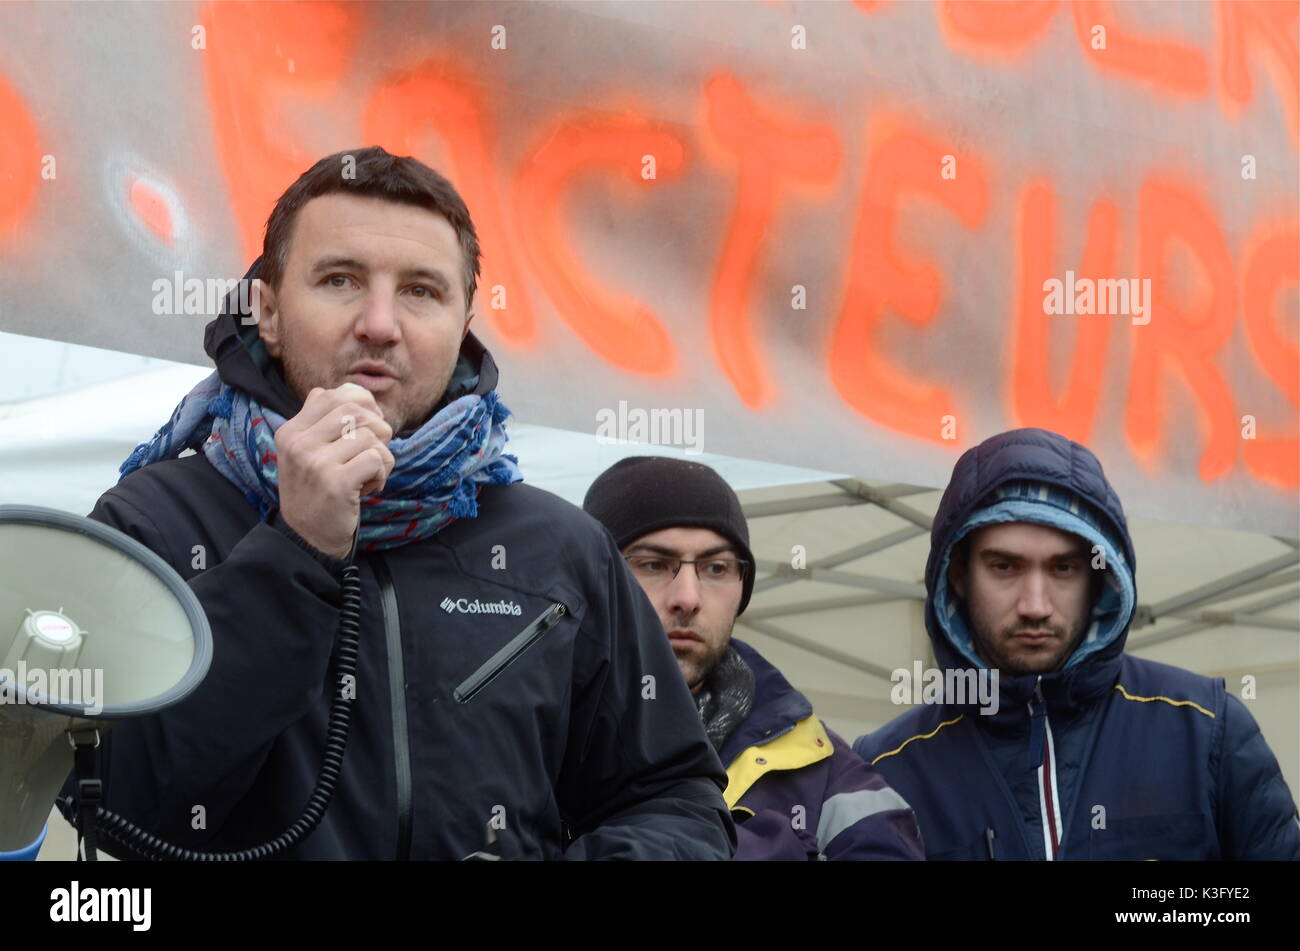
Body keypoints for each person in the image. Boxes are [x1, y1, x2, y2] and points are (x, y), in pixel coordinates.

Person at [56, 147, 734, 860]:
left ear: (463, 325)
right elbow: (115, 804)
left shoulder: (559, 547)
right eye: (340, 279)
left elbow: (677, 801)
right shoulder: (154, 520)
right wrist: (295, 551)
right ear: (269, 311)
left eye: (421, 291)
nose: (380, 323)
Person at [854, 427, 1300, 860]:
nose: (1035, 605)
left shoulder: (1204, 727)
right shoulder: (887, 770)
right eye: (1004, 567)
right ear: (958, 575)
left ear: (1099, 578)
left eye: (1063, 568)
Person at [583, 456, 924, 860]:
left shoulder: (823, 767)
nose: (688, 598)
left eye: (716, 568)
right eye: (654, 564)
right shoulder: (534, 732)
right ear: (592, 579)